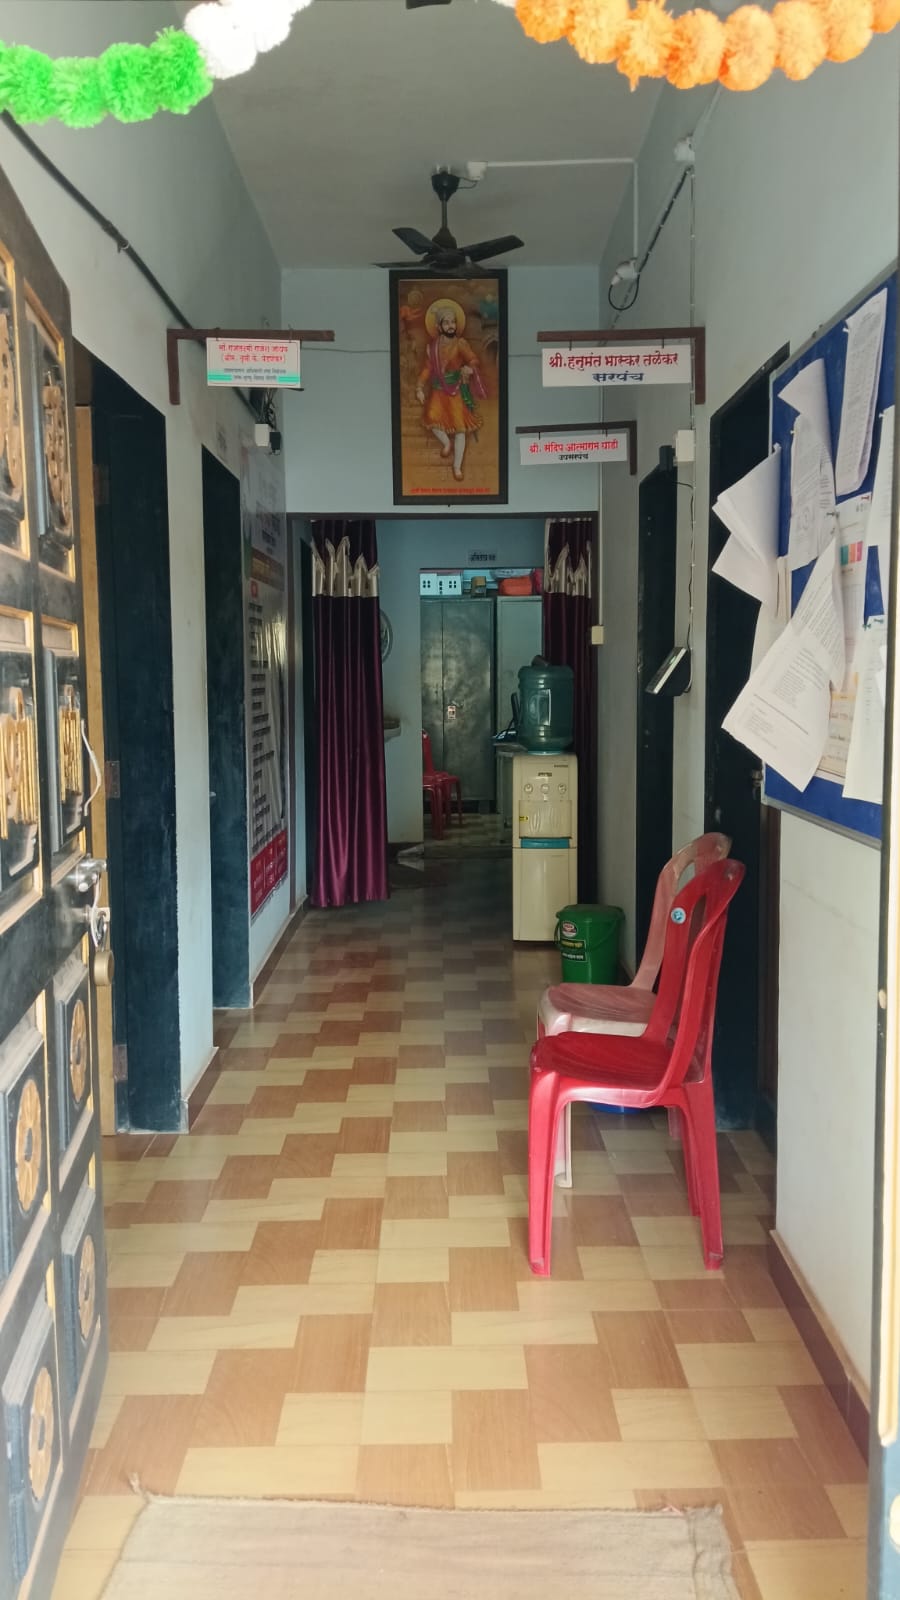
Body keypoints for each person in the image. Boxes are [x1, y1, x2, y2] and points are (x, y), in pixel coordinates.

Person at [415, 298, 486, 482]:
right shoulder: (432, 348)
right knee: (431, 418)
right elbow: (427, 369)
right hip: (438, 391)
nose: (451, 325)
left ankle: (457, 467)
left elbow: (473, 359)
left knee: (460, 429)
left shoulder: (460, 344)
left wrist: (470, 367)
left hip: (455, 391)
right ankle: (447, 443)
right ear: (439, 326)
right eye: (446, 322)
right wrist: (419, 387)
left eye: (453, 322)